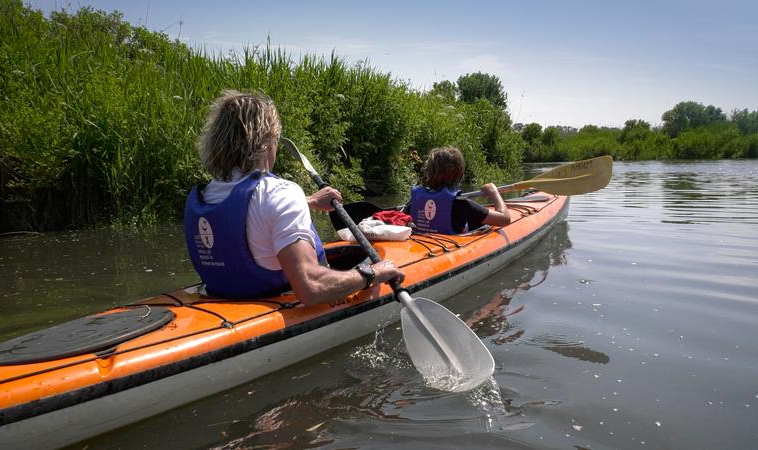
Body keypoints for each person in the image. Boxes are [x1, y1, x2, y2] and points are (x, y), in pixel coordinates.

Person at [184, 90, 403, 304]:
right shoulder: (280, 193)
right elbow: (311, 288)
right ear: (270, 141)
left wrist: (308, 201)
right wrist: (372, 273)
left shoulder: (205, 195)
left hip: (218, 297)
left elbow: (246, 214)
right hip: (279, 300)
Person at [405, 146, 512, 234]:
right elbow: (505, 219)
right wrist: (494, 192)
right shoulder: (462, 204)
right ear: (457, 174)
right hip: (448, 252)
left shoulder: (415, 199)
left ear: (428, 172)